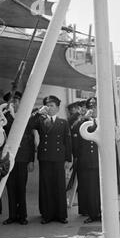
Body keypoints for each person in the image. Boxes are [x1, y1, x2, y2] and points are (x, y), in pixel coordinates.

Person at [30, 95, 72, 224]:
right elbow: (28, 126)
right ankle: (47, 215)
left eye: (52, 105)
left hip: (59, 158)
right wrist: (37, 113)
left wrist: (68, 159)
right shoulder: (40, 120)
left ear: (58, 108)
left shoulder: (63, 122)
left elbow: (67, 141)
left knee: (59, 186)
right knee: (46, 186)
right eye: (47, 105)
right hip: (45, 157)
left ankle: (61, 215)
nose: (49, 108)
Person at [0, 91, 36, 225]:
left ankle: (22, 216)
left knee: (21, 187)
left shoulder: (26, 116)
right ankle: (12, 216)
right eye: (12, 101)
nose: (14, 104)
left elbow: (30, 139)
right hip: (8, 158)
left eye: (17, 101)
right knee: (10, 187)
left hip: (22, 158)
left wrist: (31, 160)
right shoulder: (4, 117)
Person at [73, 97, 101, 223]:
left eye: (95, 106)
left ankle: (103, 212)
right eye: (91, 106)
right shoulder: (83, 122)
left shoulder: (104, 121)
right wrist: (83, 119)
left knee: (101, 188)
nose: (93, 109)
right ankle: (93, 214)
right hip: (88, 161)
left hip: (101, 159)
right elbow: (73, 130)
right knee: (90, 189)